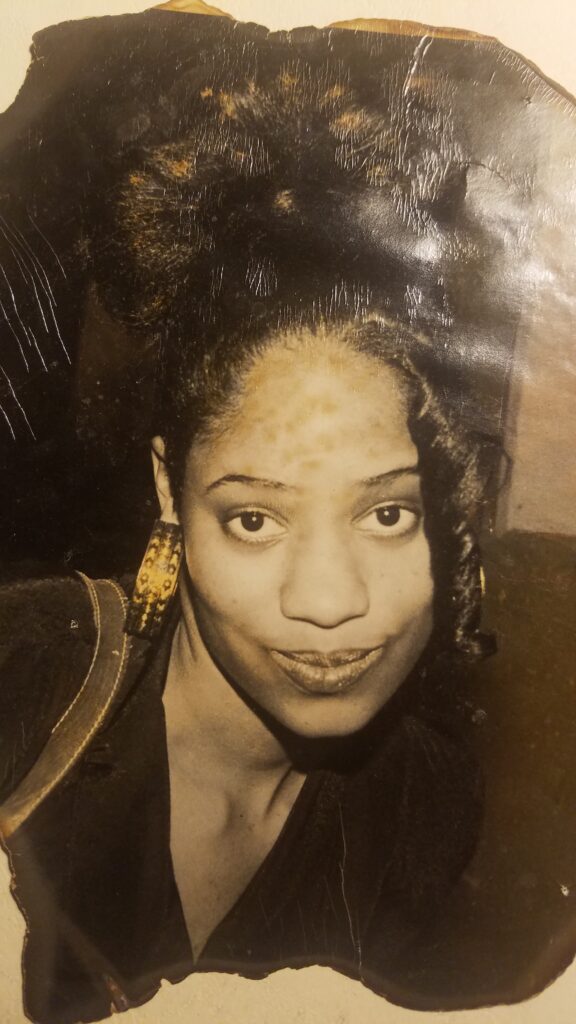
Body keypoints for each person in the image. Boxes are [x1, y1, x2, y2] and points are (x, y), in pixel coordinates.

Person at [3, 8, 574, 1024]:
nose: (327, 604)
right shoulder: (20, 674)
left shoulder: (424, 810)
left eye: (390, 513)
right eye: (255, 519)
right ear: (172, 492)